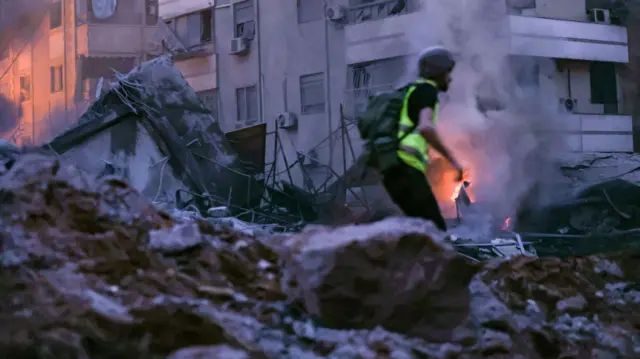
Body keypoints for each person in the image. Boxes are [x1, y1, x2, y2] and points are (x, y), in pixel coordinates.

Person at [381, 46, 465, 232]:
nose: (450, 78)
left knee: (421, 232)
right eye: (447, 73)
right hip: (407, 170)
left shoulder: (409, 91)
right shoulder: (427, 91)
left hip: (392, 174)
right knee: (436, 232)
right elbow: (425, 127)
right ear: (437, 72)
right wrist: (454, 162)